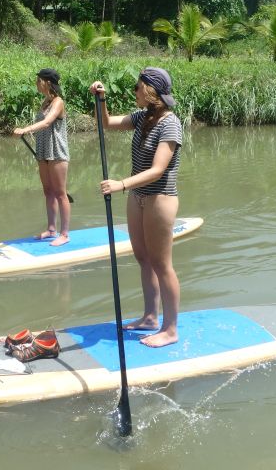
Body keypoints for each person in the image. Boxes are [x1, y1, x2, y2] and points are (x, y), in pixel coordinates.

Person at [89, 67, 182, 347]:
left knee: (161, 264)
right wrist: (100, 100)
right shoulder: (143, 118)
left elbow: (157, 170)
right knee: (143, 259)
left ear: (150, 91)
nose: (134, 92)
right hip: (138, 197)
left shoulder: (170, 124)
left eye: (137, 87)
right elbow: (106, 124)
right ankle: (150, 318)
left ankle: (170, 329)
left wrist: (121, 184)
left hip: (160, 198)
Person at [14, 68, 71, 247]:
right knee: (48, 191)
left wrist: (24, 129)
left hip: (57, 151)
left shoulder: (58, 102)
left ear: (47, 82)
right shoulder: (45, 102)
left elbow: (47, 122)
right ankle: (52, 229)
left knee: (60, 193)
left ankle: (64, 234)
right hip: (43, 150)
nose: (36, 83)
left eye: (38, 80)